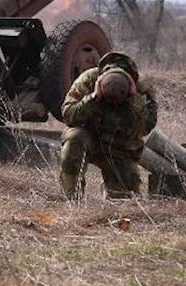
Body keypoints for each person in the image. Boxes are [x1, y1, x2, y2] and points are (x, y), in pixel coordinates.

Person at [59, 51, 158, 200]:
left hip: (120, 148)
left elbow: (145, 128)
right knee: (74, 138)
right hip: (90, 139)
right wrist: (93, 98)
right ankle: (71, 200)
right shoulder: (88, 79)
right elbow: (68, 115)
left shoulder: (142, 88)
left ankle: (111, 187)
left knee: (123, 203)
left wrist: (134, 100)